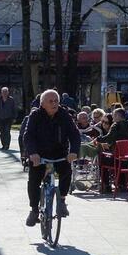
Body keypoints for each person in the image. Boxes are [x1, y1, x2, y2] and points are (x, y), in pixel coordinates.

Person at [23, 90, 80, 226]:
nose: (54, 104)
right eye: (51, 101)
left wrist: (73, 151)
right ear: (42, 104)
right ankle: (34, 210)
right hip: (40, 154)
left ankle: (62, 200)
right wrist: (32, 153)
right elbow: (28, 135)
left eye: (56, 101)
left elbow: (74, 134)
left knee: (66, 171)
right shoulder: (35, 115)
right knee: (34, 180)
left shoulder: (64, 115)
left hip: (60, 153)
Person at [95, 108, 128, 192]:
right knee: (118, 155)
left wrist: (98, 139)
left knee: (101, 159)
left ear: (117, 116)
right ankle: (122, 184)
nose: (112, 118)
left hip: (116, 159)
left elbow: (108, 138)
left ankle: (106, 185)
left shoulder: (116, 125)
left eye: (113, 115)